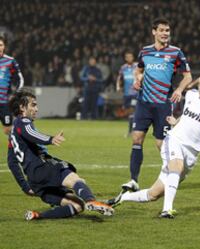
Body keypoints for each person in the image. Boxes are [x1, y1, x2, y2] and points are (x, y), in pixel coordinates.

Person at [107, 72, 200, 219]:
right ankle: (167, 210)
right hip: (174, 139)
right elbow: (187, 114)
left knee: (153, 194)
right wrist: (176, 122)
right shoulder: (191, 94)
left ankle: (123, 198)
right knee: (177, 166)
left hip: (192, 152)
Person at [8, 89, 114, 220]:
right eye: (33, 105)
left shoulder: (13, 134)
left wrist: (25, 187)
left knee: (78, 205)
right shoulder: (22, 122)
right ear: (22, 107)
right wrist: (50, 139)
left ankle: (37, 216)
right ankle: (91, 201)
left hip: (35, 181)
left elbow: (11, 162)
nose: (37, 108)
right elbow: (31, 133)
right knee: (76, 180)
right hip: (43, 168)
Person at [121, 18, 192, 192]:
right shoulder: (145, 52)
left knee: (161, 145)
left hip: (163, 104)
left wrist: (179, 90)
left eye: (167, 30)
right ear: (154, 32)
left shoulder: (176, 53)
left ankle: (174, 175)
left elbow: (188, 76)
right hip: (144, 102)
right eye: (162, 30)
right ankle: (133, 180)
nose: (165, 33)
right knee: (137, 138)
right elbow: (139, 69)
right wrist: (138, 79)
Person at [0, 36, 24, 136]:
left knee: (8, 130)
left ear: (4, 46)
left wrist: (15, 94)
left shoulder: (10, 61)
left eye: (0, 45)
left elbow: (20, 79)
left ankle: (15, 149)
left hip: (4, 103)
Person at [116, 50, 138, 136]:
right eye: (127, 57)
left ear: (133, 57)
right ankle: (131, 129)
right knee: (128, 112)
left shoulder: (137, 66)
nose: (129, 58)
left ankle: (131, 131)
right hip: (126, 94)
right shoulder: (123, 67)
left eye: (130, 56)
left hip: (135, 93)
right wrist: (118, 87)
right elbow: (119, 78)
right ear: (125, 58)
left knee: (133, 110)